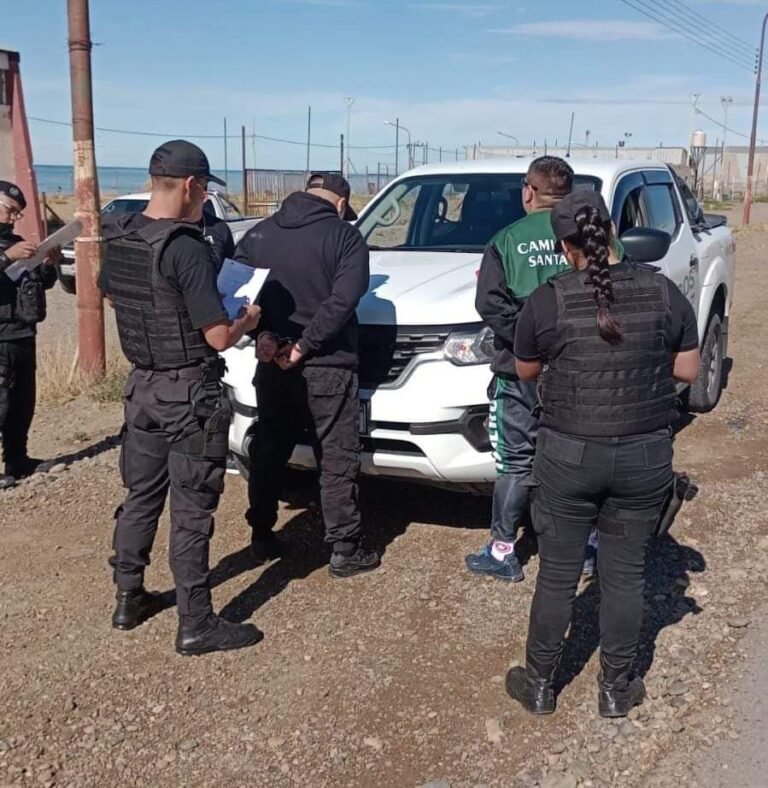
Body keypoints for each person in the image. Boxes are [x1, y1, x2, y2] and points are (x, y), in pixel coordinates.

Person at [505, 190, 700, 717]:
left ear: (563, 246)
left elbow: (525, 369)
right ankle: (616, 689)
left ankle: (540, 685)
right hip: (643, 457)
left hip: (568, 456)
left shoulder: (548, 299)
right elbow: (688, 370)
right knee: (625, 574)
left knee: (557, 574)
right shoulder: (662, 291)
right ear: (613, 231)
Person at [99, 140, 263, 656]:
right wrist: (246, 320)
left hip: (142, 388)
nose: (205, 198)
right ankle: (196, 623)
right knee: (192, 508)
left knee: (141, 495)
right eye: (205, 189)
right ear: (191, 185)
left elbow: (110, 292)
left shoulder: (121, 233)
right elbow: (218, 337)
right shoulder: (186, 247)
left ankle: (128, 598)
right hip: (189, 392)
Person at [234, 172, 380, 578]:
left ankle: (261, 533)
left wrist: (263, 336)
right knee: (335, 454)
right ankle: (344, 548)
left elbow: (238, 292)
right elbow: (343, 300)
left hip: (272, 361)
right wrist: (304, 345)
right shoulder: (345, 237)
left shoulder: (259, 234)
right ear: (341, 203)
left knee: (269, 448)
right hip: (328, 363)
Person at [465, 157, 574, 582]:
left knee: (516, 459)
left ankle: (502, 551)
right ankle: (583, 548)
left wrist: (527, 341)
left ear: (529, 191)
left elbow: (489, 303)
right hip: (579, 369)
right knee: (578, 455)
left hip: (518, 369)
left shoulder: (507, 239)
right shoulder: (591, 234)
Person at [0, 181, 59, 490]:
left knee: (22, 403)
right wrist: (7, 257)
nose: (13, 218)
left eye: (18, 214)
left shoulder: (16, 242)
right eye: (10, 210)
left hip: (23, 333)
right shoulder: (11, 249)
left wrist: (48, 264)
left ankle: (17, 459)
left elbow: (37, 282)